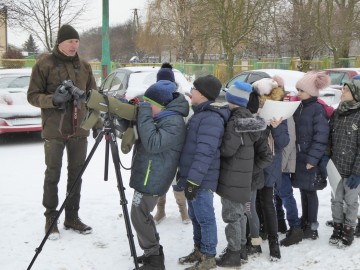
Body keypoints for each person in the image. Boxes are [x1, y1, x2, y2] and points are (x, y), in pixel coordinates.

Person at [27, 24, 100, 240]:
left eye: (76, 41)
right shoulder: (44, 64)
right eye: (70, 41)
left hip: (79, 128)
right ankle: (51, 217)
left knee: (76, 175)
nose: (74, 45)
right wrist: (52, 100)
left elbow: (93, 97)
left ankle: (72, 216)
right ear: (60, 42)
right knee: (53, 173)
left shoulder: (84, 66)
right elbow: (32, 95)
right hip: (54, 129)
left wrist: (96, 123)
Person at [130, 80, 189, 270]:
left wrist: (144, 113)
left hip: (154, 177)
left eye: (150, 102)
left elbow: (153, 143)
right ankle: (152, 251)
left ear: (162, 105)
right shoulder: (165, 116)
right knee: (140, 213)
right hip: (149, 173)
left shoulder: (174, 121)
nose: (147, 105)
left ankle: (154, 257)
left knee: (139, 214)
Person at [177, 75, 230, 270]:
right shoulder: (200, 114)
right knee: (196, 215)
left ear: (204, 94)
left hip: (201, 178)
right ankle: (199, 249)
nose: (191, 92)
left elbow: (205, 152)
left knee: (205, 217)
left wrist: (194, 181)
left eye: (194, 89)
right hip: (194, 176)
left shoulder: (210, 118)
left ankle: (208, 256)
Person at [215, 81, 268, 268]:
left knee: (232, 216)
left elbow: (227, 150)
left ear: (231, 99)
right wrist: (248, 171)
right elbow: (264, 153)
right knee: (240, 214)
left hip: (231, 177)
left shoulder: (234, 121)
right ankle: (241, 249)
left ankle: (234, 253)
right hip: (242, 178)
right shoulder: (252, 122)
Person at [246, 77, 289, 261]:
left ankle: (274, 242)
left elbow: (284, 141)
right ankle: (254, 236)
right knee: (251, 203)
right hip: (252, 162)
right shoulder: (251, 109)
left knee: (266, 202)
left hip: (269, 163)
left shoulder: (278, 111)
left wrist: (276, 127)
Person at [292, 71, 330, 240]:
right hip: (300, 157)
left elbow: (321, 137)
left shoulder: (317, 109)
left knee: (311, 192)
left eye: (301, 90)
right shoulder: (300, 107)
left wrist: (312, 159)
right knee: (303, 190)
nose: (298, 93)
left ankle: (312, 225)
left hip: (309, 159)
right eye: (298, 90)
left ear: (311, 92)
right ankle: (305, 219)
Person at [152, 62, 190, 225]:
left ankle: (183, 211)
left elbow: (188, 121)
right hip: (160, 146)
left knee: (177, 182)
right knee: (161, 179)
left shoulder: (182, 99)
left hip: (177, 147)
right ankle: (160, 210)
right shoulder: (154, 97)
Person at [328, 80, 360, 247]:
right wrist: (326, 158)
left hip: (353, 169)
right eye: (342, 89)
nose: (343, 92)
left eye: (346, 90)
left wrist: (357, 171)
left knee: (351, 201)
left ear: (355, 94)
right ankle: (338, 226)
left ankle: (349, 229)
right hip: (336, 167)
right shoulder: (337, 113)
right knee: (336, 200)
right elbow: (329, 138)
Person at [274, 92, 304, 246]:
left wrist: (279, 165)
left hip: (283, 164)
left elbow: (289, 142)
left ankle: (295, 227)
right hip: (277, 163)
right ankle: (280, 223)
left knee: (286, 195)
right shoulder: (276, 111)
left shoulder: (286, 114)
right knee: (277, 195)